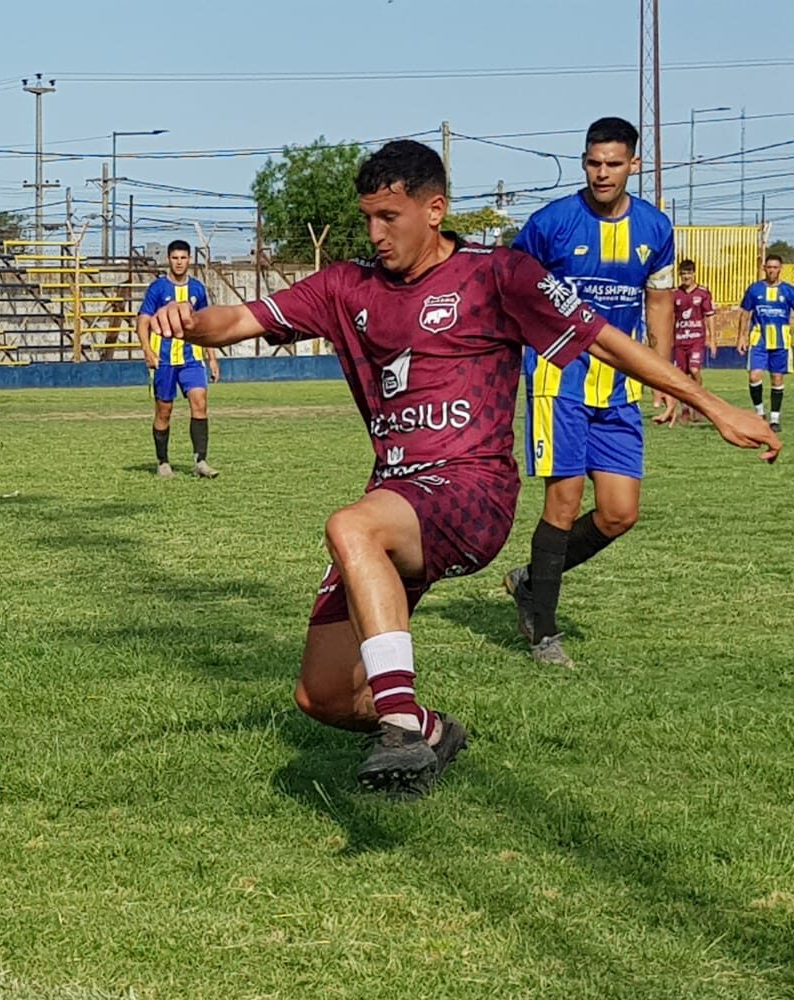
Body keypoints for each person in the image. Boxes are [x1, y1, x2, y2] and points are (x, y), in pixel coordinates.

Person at [147, 140, 776, 799]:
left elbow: (607, 341)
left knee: (350, 527)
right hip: (397, 499)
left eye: (389, 216)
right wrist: (188, 322)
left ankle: (397, 722)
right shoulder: (346, 285)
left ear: (434, 209)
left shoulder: (498, 276)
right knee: (322, 695)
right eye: (367, 217)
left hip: (473, 493)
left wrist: (712, 403)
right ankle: (430, 728)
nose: (375, 232)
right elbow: (236, 320)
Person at [501, 118, 675, 669]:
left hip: (619, 387)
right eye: (594, 163)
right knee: (565, 499)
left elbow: (660, 303)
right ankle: (544, 636)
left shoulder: (656, 227)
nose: (602, 173)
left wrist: (662, 375)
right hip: (559, 379)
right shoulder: (552, 222)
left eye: (614, 164)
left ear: (633, 165)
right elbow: (509, 283)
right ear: (584, 162)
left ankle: (531, 580)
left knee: (620, 513)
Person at [136, 240, 220, 478]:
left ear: (189, 260)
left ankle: (200, 461)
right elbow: (143, 320)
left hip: (192, 357)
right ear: (168, 259)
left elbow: (206, 325)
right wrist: (147, 350)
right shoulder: (158, 289)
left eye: (183, 258)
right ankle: (163, 461)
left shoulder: (197, 289)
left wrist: (212, 357)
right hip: (164, 360)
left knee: (200, 403)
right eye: (175, 258)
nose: (179, 262)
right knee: (164, 411)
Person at [738, 254, 791, 432]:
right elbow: (745, 313)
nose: (772, 270)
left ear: (780, 268)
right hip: (759, 338)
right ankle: (759, 414)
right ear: (764, 268)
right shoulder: (754, 289)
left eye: (775, 267)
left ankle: (775, 418)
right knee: (754, 376)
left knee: (777, 378)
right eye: (769, 267)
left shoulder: (788, 291)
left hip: (780, 339)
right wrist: (741, 337)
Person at [659, 260, 716, 425]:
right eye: (683, 273)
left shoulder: (703, 293)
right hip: (680, 340)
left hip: (696, 339)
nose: (686, 276)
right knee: (682, 376)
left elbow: (709, 315)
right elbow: (670, 318)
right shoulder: (675, 294)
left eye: (689, 273)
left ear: (694, 274)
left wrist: (712, 339)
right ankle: (685, 408)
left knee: (694, 369)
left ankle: (698, 405)